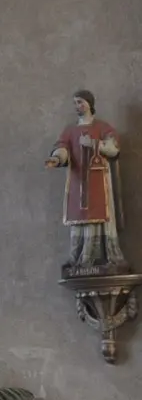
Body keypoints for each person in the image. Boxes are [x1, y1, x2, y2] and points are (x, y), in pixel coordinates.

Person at [45, 90, 125, 275]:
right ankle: (79, 258)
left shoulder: (102, 127)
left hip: (98, 180)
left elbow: (113, 148)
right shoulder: (70, 130)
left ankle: (99, 257)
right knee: (79, 215)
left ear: (90, 103)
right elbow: (62, 148)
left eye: (80, 102)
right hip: (78, 181)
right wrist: (56, 159)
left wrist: (96, 144)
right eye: (75, 103)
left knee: (99, 213)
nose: (77, 106)